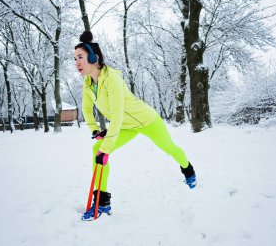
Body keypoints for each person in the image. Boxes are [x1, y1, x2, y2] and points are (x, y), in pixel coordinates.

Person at [74, 31, 197, 221]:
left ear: (93, 57)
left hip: (146, 120)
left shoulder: (112, 79)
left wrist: (107, 148)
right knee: (98, 149)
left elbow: (116, 115)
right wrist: (95, 131)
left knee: (168, 147)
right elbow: (86, 109)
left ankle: (188, 170)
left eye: (80, 57)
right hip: (126, 126)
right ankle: (103, 202)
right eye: (75, 59)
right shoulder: (88, 83)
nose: (77, 62)